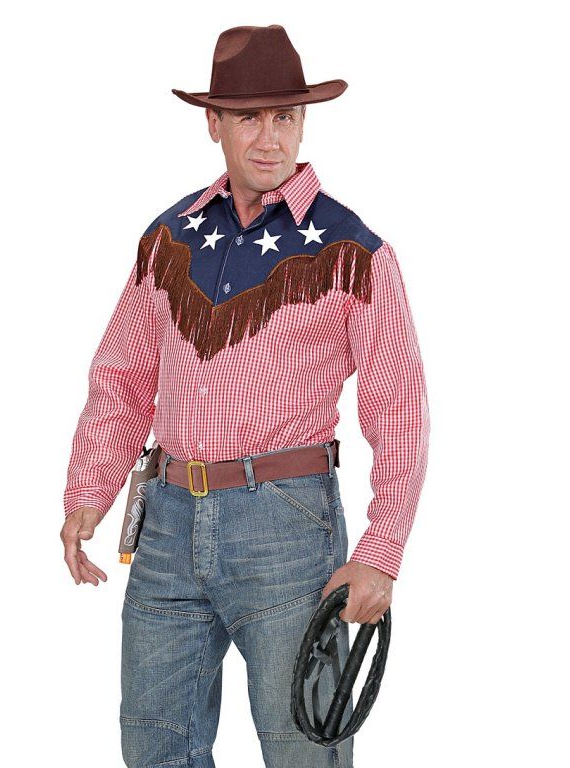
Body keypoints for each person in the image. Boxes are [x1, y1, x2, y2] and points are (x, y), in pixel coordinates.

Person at [60, 24, 430, 768]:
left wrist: (381, 551)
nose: (270, 137)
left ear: (303, 121)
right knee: (155, 746)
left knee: (303, 749)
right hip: (166, 522)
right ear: (214, 124)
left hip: (285, 524)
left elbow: (398, 408)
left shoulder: (352, 251)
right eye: (248, 117)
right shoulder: (170, 237)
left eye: (285, 116)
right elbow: (123, 375)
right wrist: (89, 492)